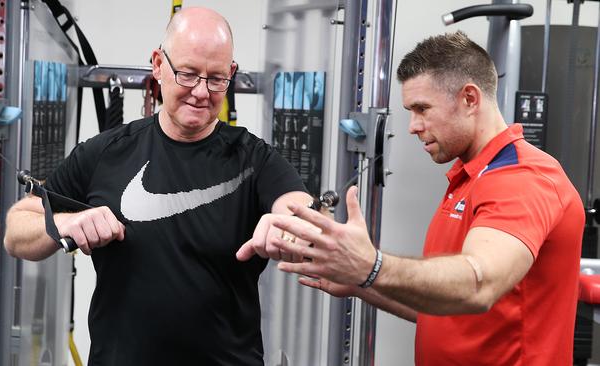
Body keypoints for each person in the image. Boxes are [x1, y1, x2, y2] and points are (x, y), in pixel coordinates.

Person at [238, 31, 585, 365]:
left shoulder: (522, 179)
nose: (413, 126)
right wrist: (360, 280)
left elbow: (480, 283)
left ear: (469, 99)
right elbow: (444, 308)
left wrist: (371, 265)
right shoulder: (469, 179)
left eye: (422, 109)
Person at [3, 7, 312, 366]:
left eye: (216, 79)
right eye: (187, 74)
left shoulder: (254, 159)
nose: (201, 92)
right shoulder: (105, 153)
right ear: (157, 64)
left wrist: (294, 227)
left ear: (231, 74)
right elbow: (16, 230)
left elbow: (302, 209)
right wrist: (66, 223)